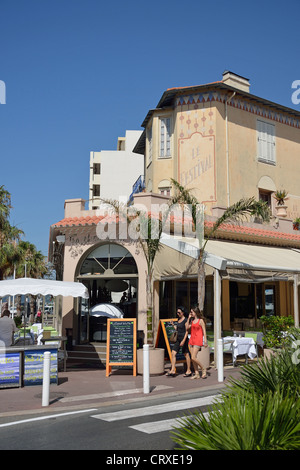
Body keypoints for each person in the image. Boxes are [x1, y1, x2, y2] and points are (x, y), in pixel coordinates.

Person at [166, 306, 192, 377]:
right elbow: (178, 329)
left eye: (179, 312)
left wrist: (183, 341)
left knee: (186, 354)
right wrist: (173, 324)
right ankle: (173, 370)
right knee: (173, 353)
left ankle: (189, 370)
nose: (178, 313)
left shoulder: (185, 320)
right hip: (178, 338)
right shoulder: (179, 319)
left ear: (183, 313)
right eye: (177, 312)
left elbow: (186, 331)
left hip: (184, 338)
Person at [187, 306, 208, 379]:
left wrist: (205, 341)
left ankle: (203, 368)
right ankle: (197, 373)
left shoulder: (201, 321)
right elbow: (186, 327)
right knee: (192, 358)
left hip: (198, 340)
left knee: (193, 357)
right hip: (192, 340)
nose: (191, 313)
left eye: (191, 312)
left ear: (195, 312)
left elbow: (204, 331)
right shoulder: (192, 321)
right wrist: (188, 318)